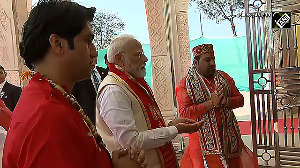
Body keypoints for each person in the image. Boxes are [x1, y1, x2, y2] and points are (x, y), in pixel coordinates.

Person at [3, 1, 146, 168]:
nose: (94, 52)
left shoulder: (49, 97)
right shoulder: (48, 118)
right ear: (58, 44)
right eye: (87, 41)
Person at [96, 34, 204, 168]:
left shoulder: (132, 83)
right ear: (120, 59)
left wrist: (170, 124)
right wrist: (174, 130)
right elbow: (131, 142)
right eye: (138, 55)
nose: (145, 59)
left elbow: (144, 125)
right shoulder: (113, 90)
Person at [175, 44, 258, 168]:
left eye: (213, 59)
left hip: (229, 139)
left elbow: (240, 100)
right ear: (195, 62)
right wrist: (210, 103)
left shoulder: (224, 78)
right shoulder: (185, 85)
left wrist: (226, 101)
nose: (212, 63)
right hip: (202, 143)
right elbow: (185, 113)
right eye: (207, 60)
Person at [72, 55, 106, 125]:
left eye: (94, 56)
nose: (93, 59)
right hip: (91, 119)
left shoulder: (104, 71)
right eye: (90, 56)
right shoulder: (78, 77)